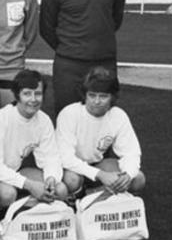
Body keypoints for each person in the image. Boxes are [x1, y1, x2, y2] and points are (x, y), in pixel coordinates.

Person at [57, 66, 145, 196]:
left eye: (103, 96)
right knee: (72, 180)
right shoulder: (69, 113)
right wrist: (100, 175)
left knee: (138, 179)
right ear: (85, 95)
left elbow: (131, 152)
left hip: (97, 164)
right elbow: (66, 158)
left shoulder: (118, 115)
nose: (96, 101)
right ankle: (76, 200)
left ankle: (93, 194)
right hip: (71, 169)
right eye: (92, 95)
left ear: (112, 97)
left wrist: (127, 174)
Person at [0, 70, 68, 209]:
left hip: (17, 172)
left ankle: (30, 215)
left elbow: (51, 157)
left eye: (38, 93)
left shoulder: (43, 119)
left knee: (60, 190)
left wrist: (51, 178)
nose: (33, 99)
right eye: (27, 94)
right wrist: (30, 185)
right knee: (7, 194)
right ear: (17, 95)